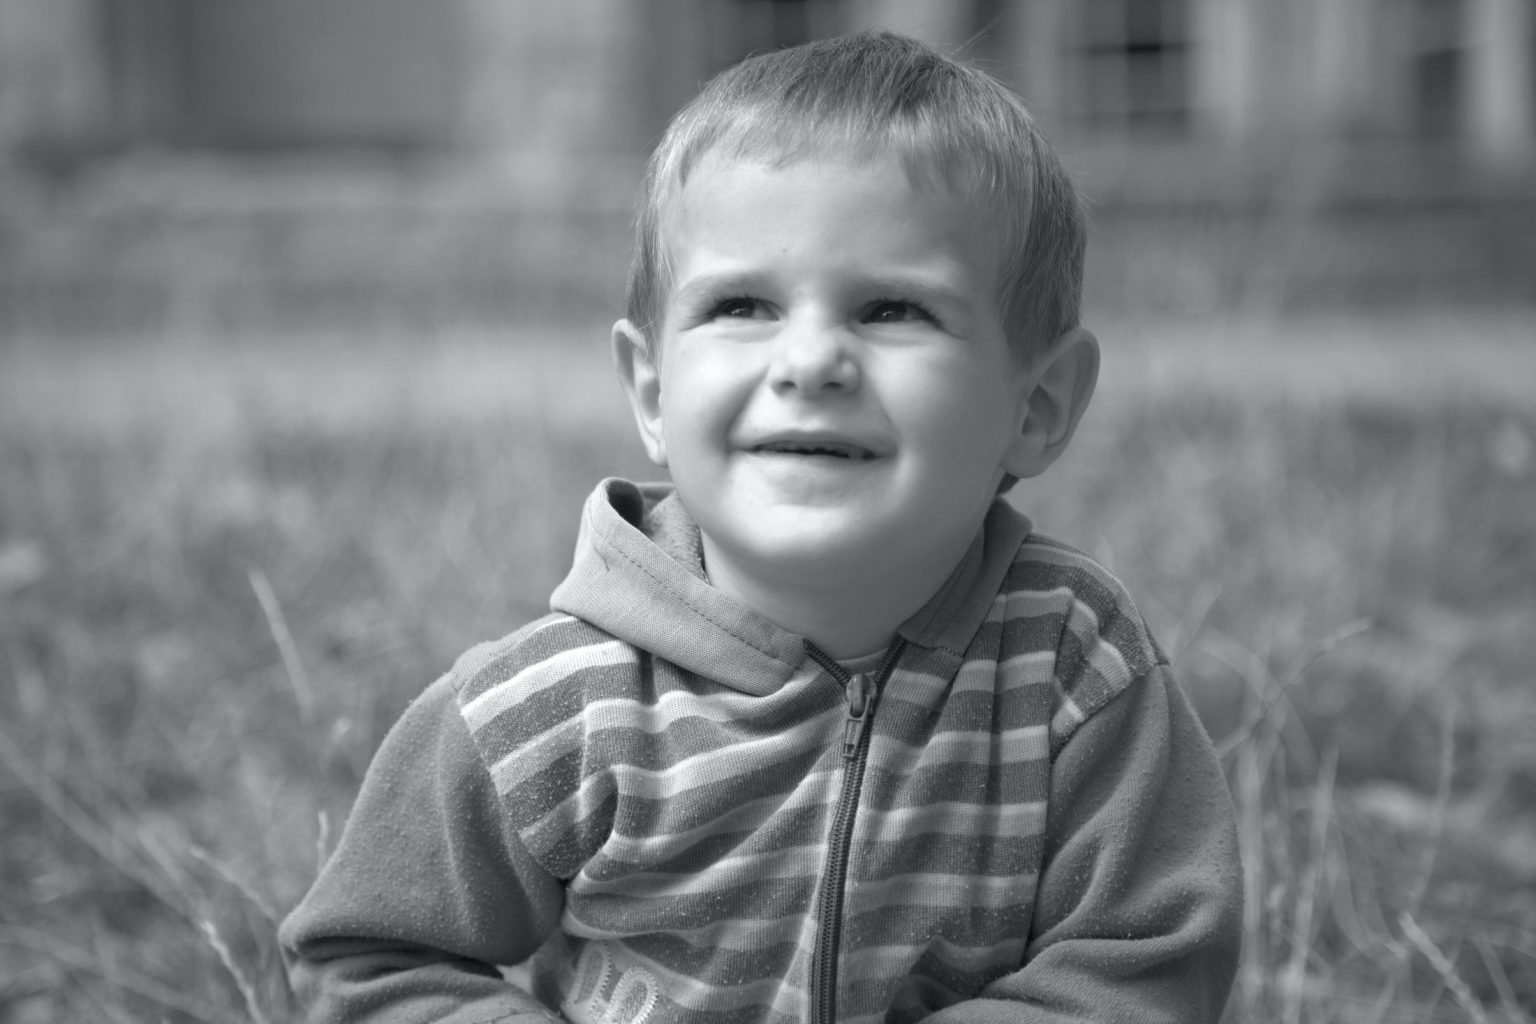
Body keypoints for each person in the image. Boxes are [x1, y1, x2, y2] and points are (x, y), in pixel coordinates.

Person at [279, 30, 1243, 1024]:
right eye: (743, 304)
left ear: (1035, 406)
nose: (810, 361)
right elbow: (368, 957)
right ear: (652, 392)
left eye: (892, 309)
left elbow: (1148, 960)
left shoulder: (1073, 670)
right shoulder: (558, 707)